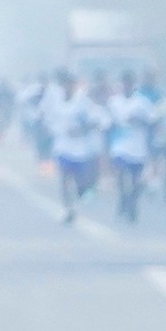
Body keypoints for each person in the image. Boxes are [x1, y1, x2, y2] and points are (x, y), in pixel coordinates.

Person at [46, 72, 105, 223]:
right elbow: (49, 122)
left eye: (71, 84)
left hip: (80, 150)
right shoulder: (55, 102)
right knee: (64, 180)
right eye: (66, 84)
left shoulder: (82, 102)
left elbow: (95, 120)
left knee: (81, 185)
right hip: (62, 148)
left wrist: (81, 130)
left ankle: (83, 194)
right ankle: (69, 209)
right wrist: (59, 131)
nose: (68, 87)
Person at [106, 78, 158, 223]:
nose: (126, 86)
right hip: (120, 145)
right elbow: (108, 121)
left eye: (129, 84)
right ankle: (123, 197)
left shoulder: (142, 103)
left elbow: (153, 121)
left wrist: (140, 120)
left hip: (138, 147)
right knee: (120, 174)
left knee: (136, 181)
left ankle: (132, 202)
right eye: (124, 84)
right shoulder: (114, 102)